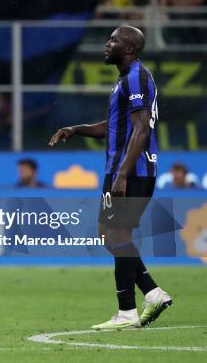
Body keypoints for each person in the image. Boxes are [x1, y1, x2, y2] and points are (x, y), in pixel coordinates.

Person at [49, 25, 172, 329]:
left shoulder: (136, 77)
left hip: (132, 170)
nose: (107, 43)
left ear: (129, 48)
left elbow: (141, 129)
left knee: (116, 235)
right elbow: (115, 126)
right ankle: (152, 293)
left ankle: (128, 311)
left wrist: (122, 174)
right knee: (109, 234)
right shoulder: (126, 80)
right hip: (121, 169)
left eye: (114, 39)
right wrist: (76, 129)